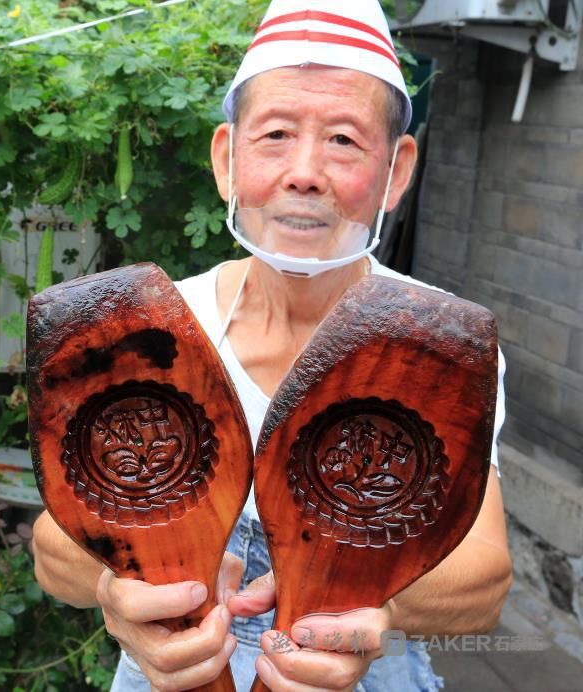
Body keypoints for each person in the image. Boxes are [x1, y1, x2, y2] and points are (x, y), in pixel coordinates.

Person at [32, 1, 513, 690]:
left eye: (345, 140)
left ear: (396, 171)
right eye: (277, 135)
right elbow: (55, 552)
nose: (305, 173)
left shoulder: (438, 353)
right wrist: (116, 587)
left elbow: (485, 583)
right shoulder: (147, 336)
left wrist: (373, 602)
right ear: (227, 160)